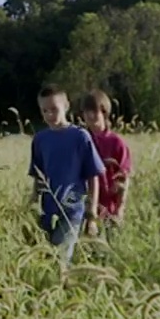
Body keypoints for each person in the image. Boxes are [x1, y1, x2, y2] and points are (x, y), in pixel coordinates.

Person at [28, 84, 106, 269]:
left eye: (54, 109)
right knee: (44, 259)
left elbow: (93, 176)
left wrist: (92, 214)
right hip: (47, 208)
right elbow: (38, 176)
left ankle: (61, 287)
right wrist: (32, 202)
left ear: (66, 106)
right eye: (44, 111)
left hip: (72, 207)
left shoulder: (80, 136)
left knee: (61, 258)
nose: (49, 115)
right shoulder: (40, 139)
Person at [80, 89, 133, 235]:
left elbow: (123, 178)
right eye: (86, 111)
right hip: (84, 209)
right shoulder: (81, 140)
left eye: (94, 111)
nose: (90, 116)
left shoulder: (116, 143)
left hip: (109, 209)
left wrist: (120, 209)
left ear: (104, 112)